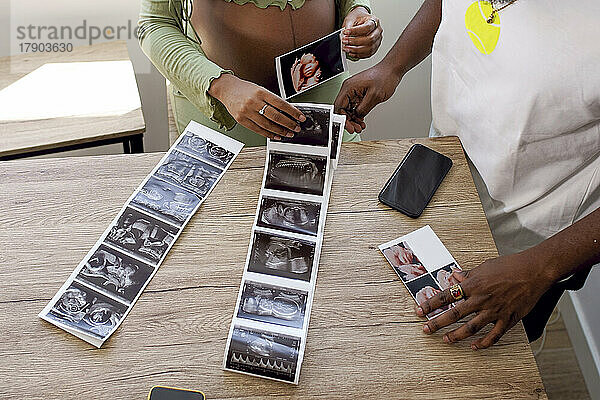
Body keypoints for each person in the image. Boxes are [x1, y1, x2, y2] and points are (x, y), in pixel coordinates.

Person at [335, 0, 600, 348]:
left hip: (530, 249)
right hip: (445, 175)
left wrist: (538, 270)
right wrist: (393, 66)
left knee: (491, 366)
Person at [138, 0, 383, 146]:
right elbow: (155, 24)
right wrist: (223, 86)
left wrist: (358, 11)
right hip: (229, 114)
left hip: (326, 104)